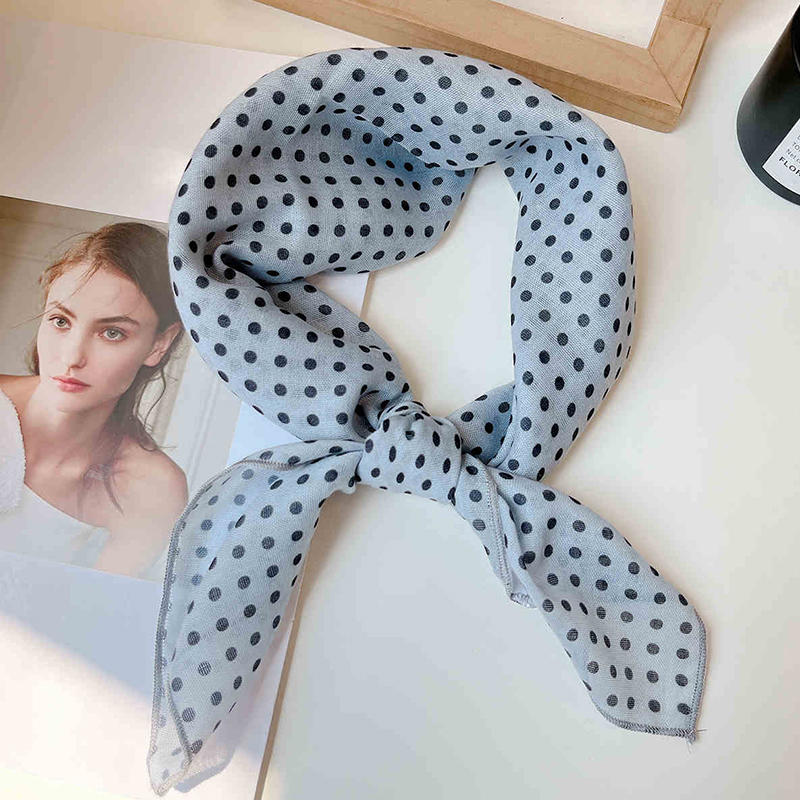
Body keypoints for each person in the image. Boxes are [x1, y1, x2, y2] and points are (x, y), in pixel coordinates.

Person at [0, 222, 188, 579]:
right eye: (60, 321)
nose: (72, 357)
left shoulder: (151, 489)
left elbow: (89, 610)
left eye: (112, 332)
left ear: (159, 344)